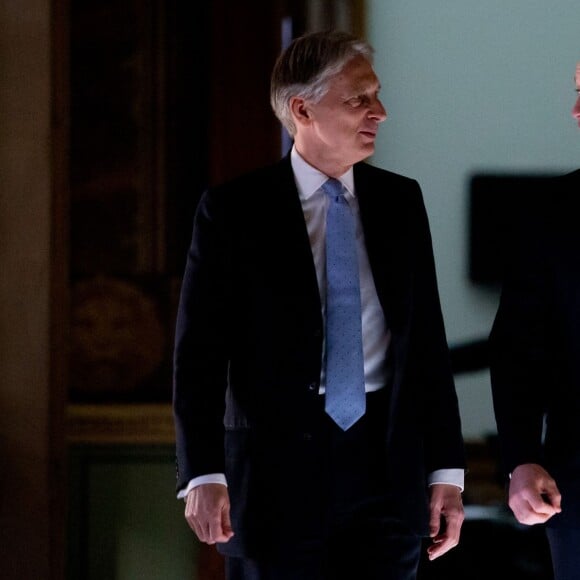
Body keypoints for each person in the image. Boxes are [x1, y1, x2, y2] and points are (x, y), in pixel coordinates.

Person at [173, 29, 465, 580]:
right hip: (273, 476)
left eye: (375, 95)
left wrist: (447, 471)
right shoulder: (233, 211)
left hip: (387, 469)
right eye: (359, 98)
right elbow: (200, 356)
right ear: (302, 108)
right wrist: (202, 473)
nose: (379, 111)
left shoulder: (402, 202)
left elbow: (426, 344)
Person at [488, 61, 580, 580]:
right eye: (576, 93)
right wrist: (521, 457)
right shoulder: (552, 211)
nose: (574, 111)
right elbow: (517, 351)